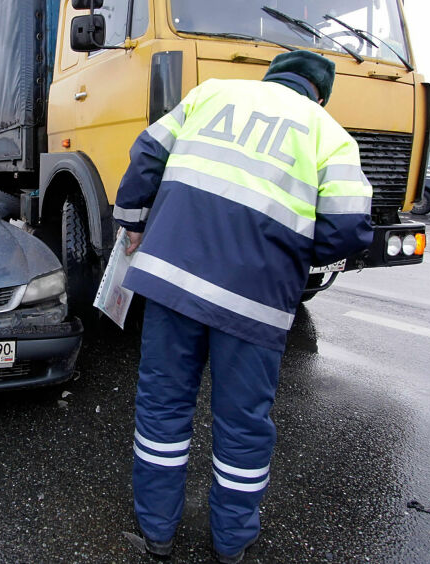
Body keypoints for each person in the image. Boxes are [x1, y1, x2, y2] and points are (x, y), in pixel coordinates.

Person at [113, 50, 373, 563]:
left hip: (172, 282)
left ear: (272, 75)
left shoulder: (211, 93)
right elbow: (347, 231)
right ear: (320, 93)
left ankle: (157, 534)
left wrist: (133, 221)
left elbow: (145, 156)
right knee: (243, 424)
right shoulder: (330, 134)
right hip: (255, 303)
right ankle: (231, 542)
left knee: (163, 409)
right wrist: (293, 260)